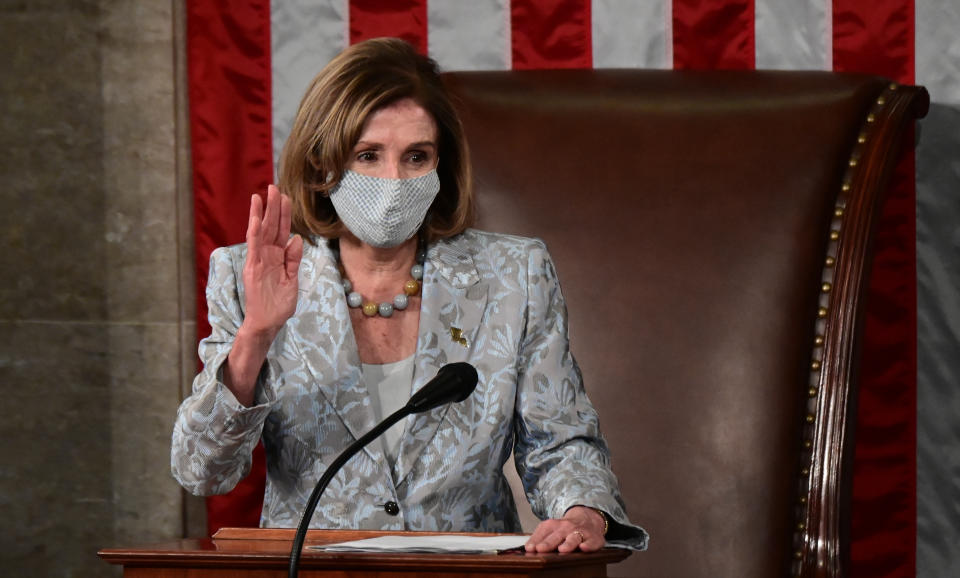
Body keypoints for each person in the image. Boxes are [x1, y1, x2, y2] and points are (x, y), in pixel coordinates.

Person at [172, 37, 647, 553]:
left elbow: (561, 443)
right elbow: (202, 471)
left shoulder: (515, 274)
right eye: (368, 155)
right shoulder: (247, 274)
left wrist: (583, 514)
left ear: (441, 166)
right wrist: (255, 336)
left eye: (416, 156)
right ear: (321, 164)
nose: (393, 180)